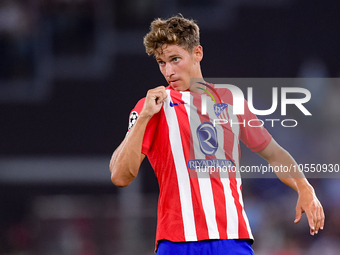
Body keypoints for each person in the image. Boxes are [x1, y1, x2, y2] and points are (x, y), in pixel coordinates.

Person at [109, 15, 325, 255]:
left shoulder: (230, 99)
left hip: (231, 239)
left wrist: (305, 187)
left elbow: (274, 154)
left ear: (197, 53)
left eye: (175, 59)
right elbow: (120, 176)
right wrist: (144, 118)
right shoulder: (152, 106)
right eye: (161, 62)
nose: (168, 71)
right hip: (177, 242)